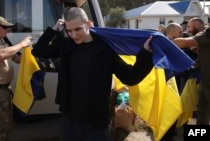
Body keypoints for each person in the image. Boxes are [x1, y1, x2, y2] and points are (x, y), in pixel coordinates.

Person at [31, 7, 153, 141]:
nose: (73, 35)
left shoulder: (104, 49)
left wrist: (146, 53)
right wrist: (53, 30)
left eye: (77, 29)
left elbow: (130, 77)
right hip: (70, 119)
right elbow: (38, 51)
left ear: (88, 24)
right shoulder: (66, 45)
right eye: (69, 30)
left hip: (95, 122)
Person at [173, 26, 210, 125]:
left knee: (203, 110)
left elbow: (184, 43)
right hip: (205, 80)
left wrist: (165, 40)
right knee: (202, 109)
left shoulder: (207, 34)